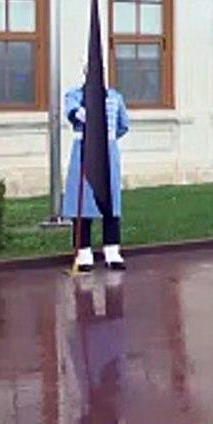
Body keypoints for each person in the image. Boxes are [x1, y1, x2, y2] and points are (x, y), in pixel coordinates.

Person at [65, 60, 130, 271]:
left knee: (110, 201)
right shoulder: (75, 95)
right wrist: (81, 113)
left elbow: (123, 125)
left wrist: (108, 140)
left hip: (108, 151)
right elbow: (72, 112)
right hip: (84, 149)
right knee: (82, 202)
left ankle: (112, 250)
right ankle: (84, 253)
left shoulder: (115, 97)